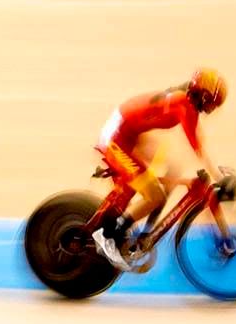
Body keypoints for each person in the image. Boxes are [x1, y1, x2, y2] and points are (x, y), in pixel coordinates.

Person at [93, 68, 228, 269]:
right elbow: (197, 148)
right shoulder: (184, 106)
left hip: (128, 132)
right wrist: (219, 177)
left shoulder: (184, 98)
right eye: (211, 104)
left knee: (171, 168)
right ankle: (108, 236)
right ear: (203, 96)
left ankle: (146, 231)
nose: (210, 110)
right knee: (154, 195)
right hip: (117, 139)